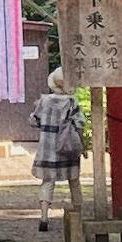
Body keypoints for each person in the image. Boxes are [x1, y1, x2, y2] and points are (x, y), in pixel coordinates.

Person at [29, 67, 84, 232]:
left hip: (47, 148)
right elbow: (80, 123)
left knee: (47, 182)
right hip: (67, 147)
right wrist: (81, 142)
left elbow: (33, 121)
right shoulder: (72, 102)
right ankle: (78, 215)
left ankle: (44, 217)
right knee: (74, 181)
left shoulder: (44, 102)